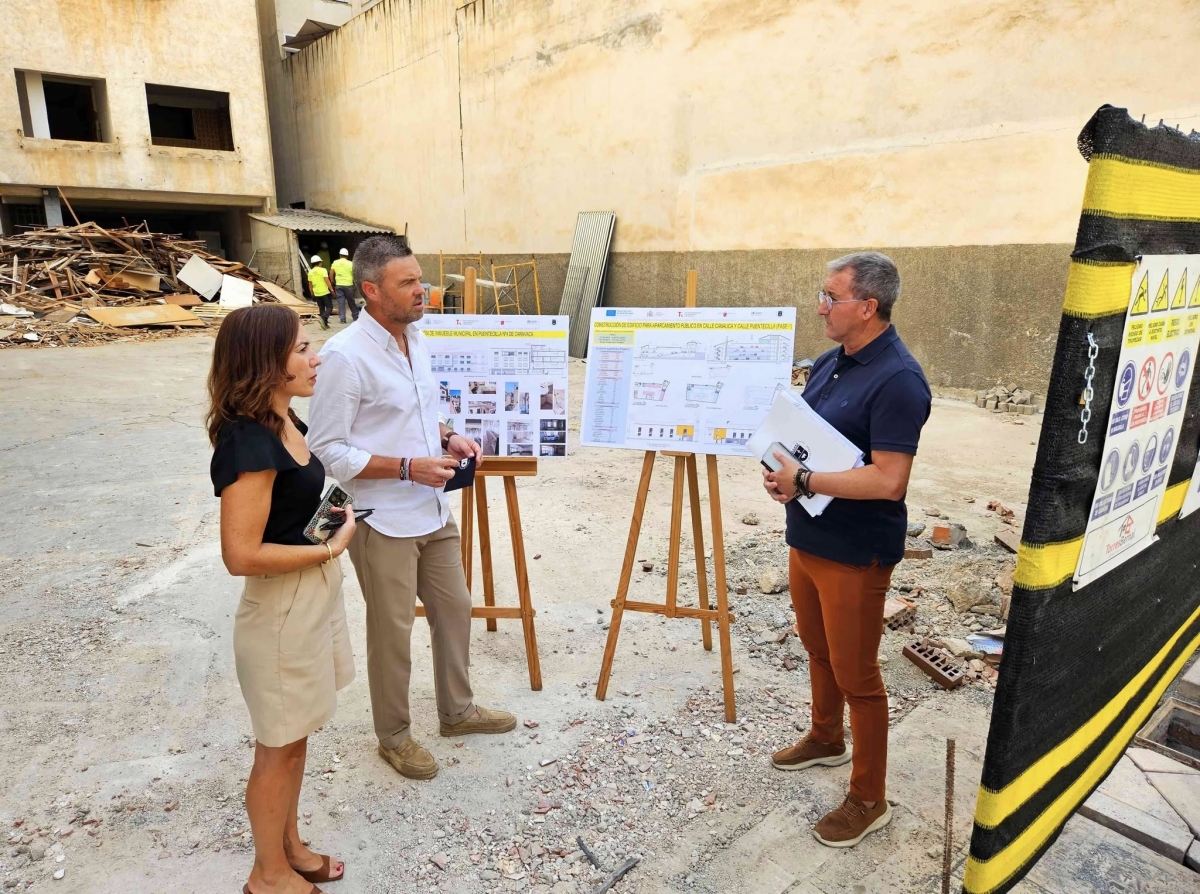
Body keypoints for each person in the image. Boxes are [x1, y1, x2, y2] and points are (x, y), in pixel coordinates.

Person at [308, 235, 516, 781]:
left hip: (431, 507)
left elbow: (419, 411)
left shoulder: (416, 338)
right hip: (380, 518)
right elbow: (327, 450)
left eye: (420, 278)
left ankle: (457, 711)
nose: (422, 290)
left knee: (455, 608)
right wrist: (406, 467)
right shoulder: (345, 357)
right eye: (407, 283)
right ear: (372, 291)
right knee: (392, 631)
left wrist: (447, 437)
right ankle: (394, 735)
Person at [762, 252, 931, 848]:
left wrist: (805, 480)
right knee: (818, 649)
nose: (820, 308)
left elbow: (889, 480)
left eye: (831, 298)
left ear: (868, 307)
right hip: (809, 537)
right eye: (822, 295)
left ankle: (868, 798)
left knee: (858, 675)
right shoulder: (832, 362)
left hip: (857, 552)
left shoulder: (899, 380)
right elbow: (806, 440)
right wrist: (782, 473)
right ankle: (826, 738)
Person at [206, 304, 357, 894]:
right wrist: (329, 549)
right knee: (278, 748)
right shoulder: (248, 442)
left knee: (296, 739)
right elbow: (240, 554)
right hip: (279, 612)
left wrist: (329, 521)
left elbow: (288, 515)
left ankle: (289, 847)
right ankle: (267, 875)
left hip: (308, 600)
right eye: (301, 349)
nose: (315, 358)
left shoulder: (284, 420)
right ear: (265, 361)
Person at [331, 248, 359, 323]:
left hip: (339, 284)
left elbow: (331, 273)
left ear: (340, 255)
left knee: (341, 302)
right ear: (347, 256)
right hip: (348, 284)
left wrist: (332, 281)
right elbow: (354, 274)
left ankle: (342, 319)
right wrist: (355, 283)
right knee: (351, 301)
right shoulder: (350, 263)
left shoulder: (335, 262)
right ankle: (355, 316)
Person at [307, 256, 334, 331]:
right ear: (319, 263)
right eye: (321, 262)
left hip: (317, 293)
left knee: (321, 308)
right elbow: (327, 280)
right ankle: (323, 318)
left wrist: (312, 294)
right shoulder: (323, 270)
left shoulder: (310, 272)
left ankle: (324, 324)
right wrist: (331, 290)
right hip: (324, 292)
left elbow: (310, 284)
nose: (321, 263)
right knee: (329, 307)